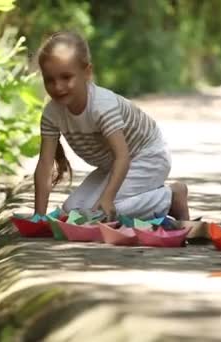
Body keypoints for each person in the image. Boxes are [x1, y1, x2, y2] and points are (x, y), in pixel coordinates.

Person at [32, 31, 190, 222]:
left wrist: (107, 199)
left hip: (148, 156)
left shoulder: (101, 106)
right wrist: (38, 217)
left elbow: (123, 156)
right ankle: (148, 199)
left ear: (87, 72)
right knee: (71, 211)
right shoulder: (52, 113)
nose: (58, 87)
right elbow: (45, 165)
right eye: (50, 79)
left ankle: (172, 196)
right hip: (114, 164)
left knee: (105, 212)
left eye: (66, 77)